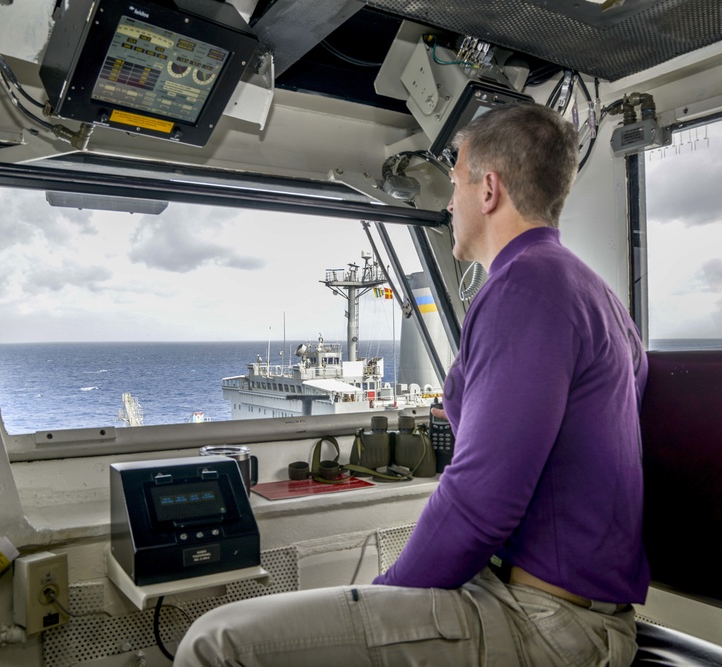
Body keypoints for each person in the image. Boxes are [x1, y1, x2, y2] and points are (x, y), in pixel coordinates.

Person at [175, 102, 649, 667]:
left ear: (489, 190)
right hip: (561, 604)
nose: (449, 204)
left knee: (216, 641)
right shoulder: (595, 293)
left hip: (544, 621)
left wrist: (383, 594)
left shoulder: (524, 288)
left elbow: (481, 501)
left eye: (455, 184)